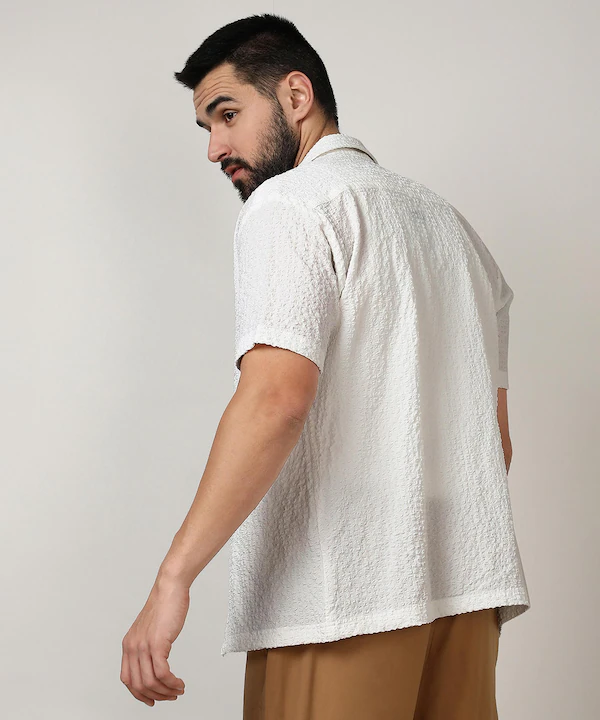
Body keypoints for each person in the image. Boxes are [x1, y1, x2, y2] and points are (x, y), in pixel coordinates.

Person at [120, 13, 531, 719]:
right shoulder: (453, 230)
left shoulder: (291, 204)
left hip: (341, 597)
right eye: (206, 126)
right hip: (467, 599)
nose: (215, 147)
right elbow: (493, 443)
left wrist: (172, 579)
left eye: (228, 114)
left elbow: (276, 399)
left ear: (296, 96)